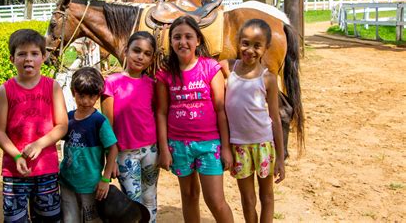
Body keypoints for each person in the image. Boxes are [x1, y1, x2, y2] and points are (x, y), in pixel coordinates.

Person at [155, 16, 234, 222]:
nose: (183, 42)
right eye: (177, 37)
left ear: (198, 40)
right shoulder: (165, 74)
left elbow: (220, 110)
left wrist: (225, 147)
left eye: (188, 36)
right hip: (178, 145)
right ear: (171, 42)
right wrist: (164, 149)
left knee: (215, 200)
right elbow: (161, 112)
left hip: (209, 145)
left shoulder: (210, 68)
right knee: (189, 197)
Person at [0, 29, 68, 222]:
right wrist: (16, 155)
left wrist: (38, 144)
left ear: (44, 57)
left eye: (34, 54)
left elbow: (62, 125)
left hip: (46, 168)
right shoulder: (5, 90)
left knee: (48, 218)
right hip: (14, 169)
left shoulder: (53, 87)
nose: (28, 59)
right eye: (22, 54)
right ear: (12, 58)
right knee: (15, 219)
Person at [220, 19, 285, 223]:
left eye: (257, 45)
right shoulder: (227, 68)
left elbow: (275, 117)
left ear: (266, 47)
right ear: (238, 42)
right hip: (239, 147)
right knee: (248, 200)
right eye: (245, 43)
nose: (250, 50)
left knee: (267, 196)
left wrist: (281, 158)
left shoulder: (268, 79)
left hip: (264, 145)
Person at [101, 31, 159, 222]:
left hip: (151, 150)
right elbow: (107, 125)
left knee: (150, 197)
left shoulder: (152, 84)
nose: (141, 56)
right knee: (132, 201)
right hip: (125, 153)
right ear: (126, 51)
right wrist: (111, 158)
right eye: (136, 50)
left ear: (151, 59)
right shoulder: (111, 83)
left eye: (147, 53)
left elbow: (156, 115)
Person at [60, 66, 118, 222]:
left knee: (92, 219)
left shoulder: (99, 121)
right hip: (67, 182)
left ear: (98, 95)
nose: (86, 101)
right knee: (69, 219)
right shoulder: (68, 119)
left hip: (91, 186)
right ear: (73, 92)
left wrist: (105, 179)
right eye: (81, 95)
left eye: (91, 96)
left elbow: (112, 148)